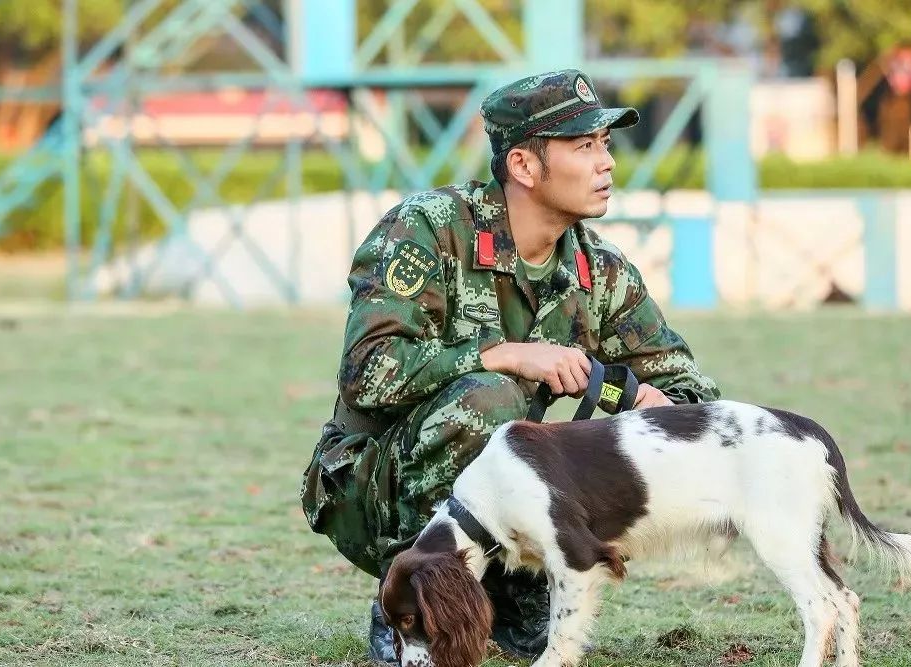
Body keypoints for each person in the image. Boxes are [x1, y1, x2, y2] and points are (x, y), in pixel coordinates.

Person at [301, 69, 720, 664]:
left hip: (506, 503)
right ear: (523, 166)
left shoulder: (597, 268)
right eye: (583, 146)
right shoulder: (425, 230)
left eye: (605, 144)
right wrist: (501, 354)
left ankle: (511, 592)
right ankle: (408, 600)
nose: (606, 163)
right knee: (492, 399)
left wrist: (663, 409)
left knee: (558, 432)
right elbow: (368, 371)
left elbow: (690, 387)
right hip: (373, 484)